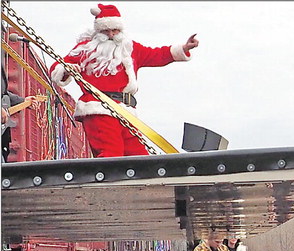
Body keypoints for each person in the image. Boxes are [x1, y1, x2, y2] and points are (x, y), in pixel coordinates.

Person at [48, 3, 198, 157]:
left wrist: (184, 48)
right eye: (106, 31)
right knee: (111, 153)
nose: (112, 35)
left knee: (139, 157)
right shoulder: (85, 49)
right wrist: (66, 69)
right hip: (99, 108)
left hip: (125, 111)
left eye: (115, 30)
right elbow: (56, 67)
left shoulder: (130, 49)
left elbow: (157, 55)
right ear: (98, 31)